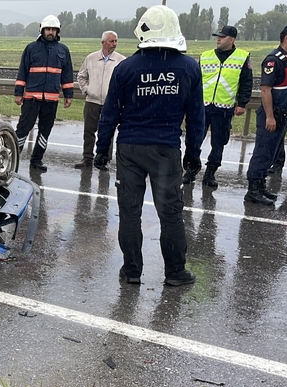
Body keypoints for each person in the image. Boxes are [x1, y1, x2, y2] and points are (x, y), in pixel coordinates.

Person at [94, 5, 204, 286]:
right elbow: (196, 117)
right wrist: (193, 154)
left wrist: (101, 150)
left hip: (130, 148)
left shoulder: (126, 68)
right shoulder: (189, 67)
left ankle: (132, 271)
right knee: (170, 214)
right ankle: (175, 272)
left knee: (130, 213)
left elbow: (109, 114)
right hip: (166, 150)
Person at [182, 25, 252, 189]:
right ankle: (190, 170)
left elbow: (246, 82)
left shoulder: (242, 57)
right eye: (217, 36)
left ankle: (210, 173)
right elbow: (195, 81)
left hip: (224, 107)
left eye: (222, 36)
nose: (218, 39)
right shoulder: (206, 56)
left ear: (232, 39)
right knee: (194, 140)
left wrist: (242, 103)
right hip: (202, 107)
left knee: (218, 143)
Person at [13, 14, 74, 172]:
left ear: (57, 31)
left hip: (51, 100)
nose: (50, 32)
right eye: (48, 29)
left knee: (45, 131)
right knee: (23, 129)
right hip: (31, 98)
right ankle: (13, 158)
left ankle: (37, 160)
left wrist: (68, 95)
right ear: (42, 30)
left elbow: (67, 75)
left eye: (53, 29)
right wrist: (18, 93)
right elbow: (22, 72)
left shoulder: (63, 50)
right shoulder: (31, 48)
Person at [243, 23, 287, 205]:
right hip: (271, 114)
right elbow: (265, 90)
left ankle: (261, 185)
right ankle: (253, 190)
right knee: (263, 152)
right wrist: (270, 116)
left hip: (283, 114)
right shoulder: (274, 60)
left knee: (272, 153)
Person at [75, 30, 125, 169]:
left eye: (115, 41)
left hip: (110, 103)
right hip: (92, 101)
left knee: (107, 132)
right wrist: (87, 90)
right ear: (103, 42)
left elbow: (125, 82)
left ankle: (104, 160)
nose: (114, 44)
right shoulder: (91, 58)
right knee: (89, 132)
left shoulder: (121, 60)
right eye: (111, 41)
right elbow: (81, 76)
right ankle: (87, 159)